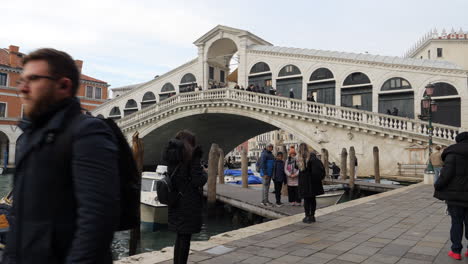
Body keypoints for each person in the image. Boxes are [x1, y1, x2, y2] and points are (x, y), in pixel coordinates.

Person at [3, 48, 119, 264]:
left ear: (64, 86)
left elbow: (97, 220)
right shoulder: (31, 136)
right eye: (21, 81)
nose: (23, 89)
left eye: (34, 79)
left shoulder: (88, 133)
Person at [163, 130, 207, 264]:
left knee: (180, 237)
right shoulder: (192, 156)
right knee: (185, 239)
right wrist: (205, 174)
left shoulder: (173, 156)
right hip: (188, 203)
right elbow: (198, 180)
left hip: (176, 201)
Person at [434, 132, 468, 261]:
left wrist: (438, 186)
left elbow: (445, 175)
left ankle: (456, 251)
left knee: (456, 222)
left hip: (455, 197)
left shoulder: (452, 154)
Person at [297, 144, 325, 223]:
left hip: (304, 183)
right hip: (313, 183)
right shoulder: (313, 158)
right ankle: (312, 216)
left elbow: (297, 168)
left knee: (306, 200)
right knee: (312, 199)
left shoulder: (299, 159)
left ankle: (307, 216)